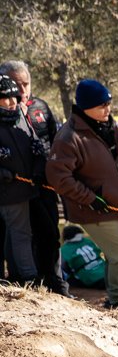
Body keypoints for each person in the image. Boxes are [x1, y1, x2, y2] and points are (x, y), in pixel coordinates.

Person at [45, 79, 118, 309]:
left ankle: (114, 299)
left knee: (116, 254)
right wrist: (90, 198)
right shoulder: (68, 137)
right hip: (93, 209)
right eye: (101, 105)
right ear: (85, 107)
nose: (107, 109)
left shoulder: (111, 127)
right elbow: (58, 177)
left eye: (109, 103)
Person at [0, 60, 68, 296]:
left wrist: (43, 169)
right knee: (18, 234)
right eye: (15, 86)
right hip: (11, 189)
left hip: (40, 185)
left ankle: (56, 283)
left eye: (25, 84)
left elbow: (48, 142)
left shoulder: (38, 109)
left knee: (48, 234)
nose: (20, 92)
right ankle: (23, 279)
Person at [0, 74, 45, 284]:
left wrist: (38, 170)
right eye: (5, 98)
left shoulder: (21, 117)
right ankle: (30, 278)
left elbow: (36, 145)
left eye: (14, 97)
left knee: (15, 232)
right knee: (21, 233)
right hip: (8, 190)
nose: (11, 102)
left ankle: (17, 275)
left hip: (27, 187)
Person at [60, 224, 107, 289]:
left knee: (68, 279)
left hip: (92, 280)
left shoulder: (64, 249)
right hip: (107, 274)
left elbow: (63, 268)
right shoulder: (87, 241)